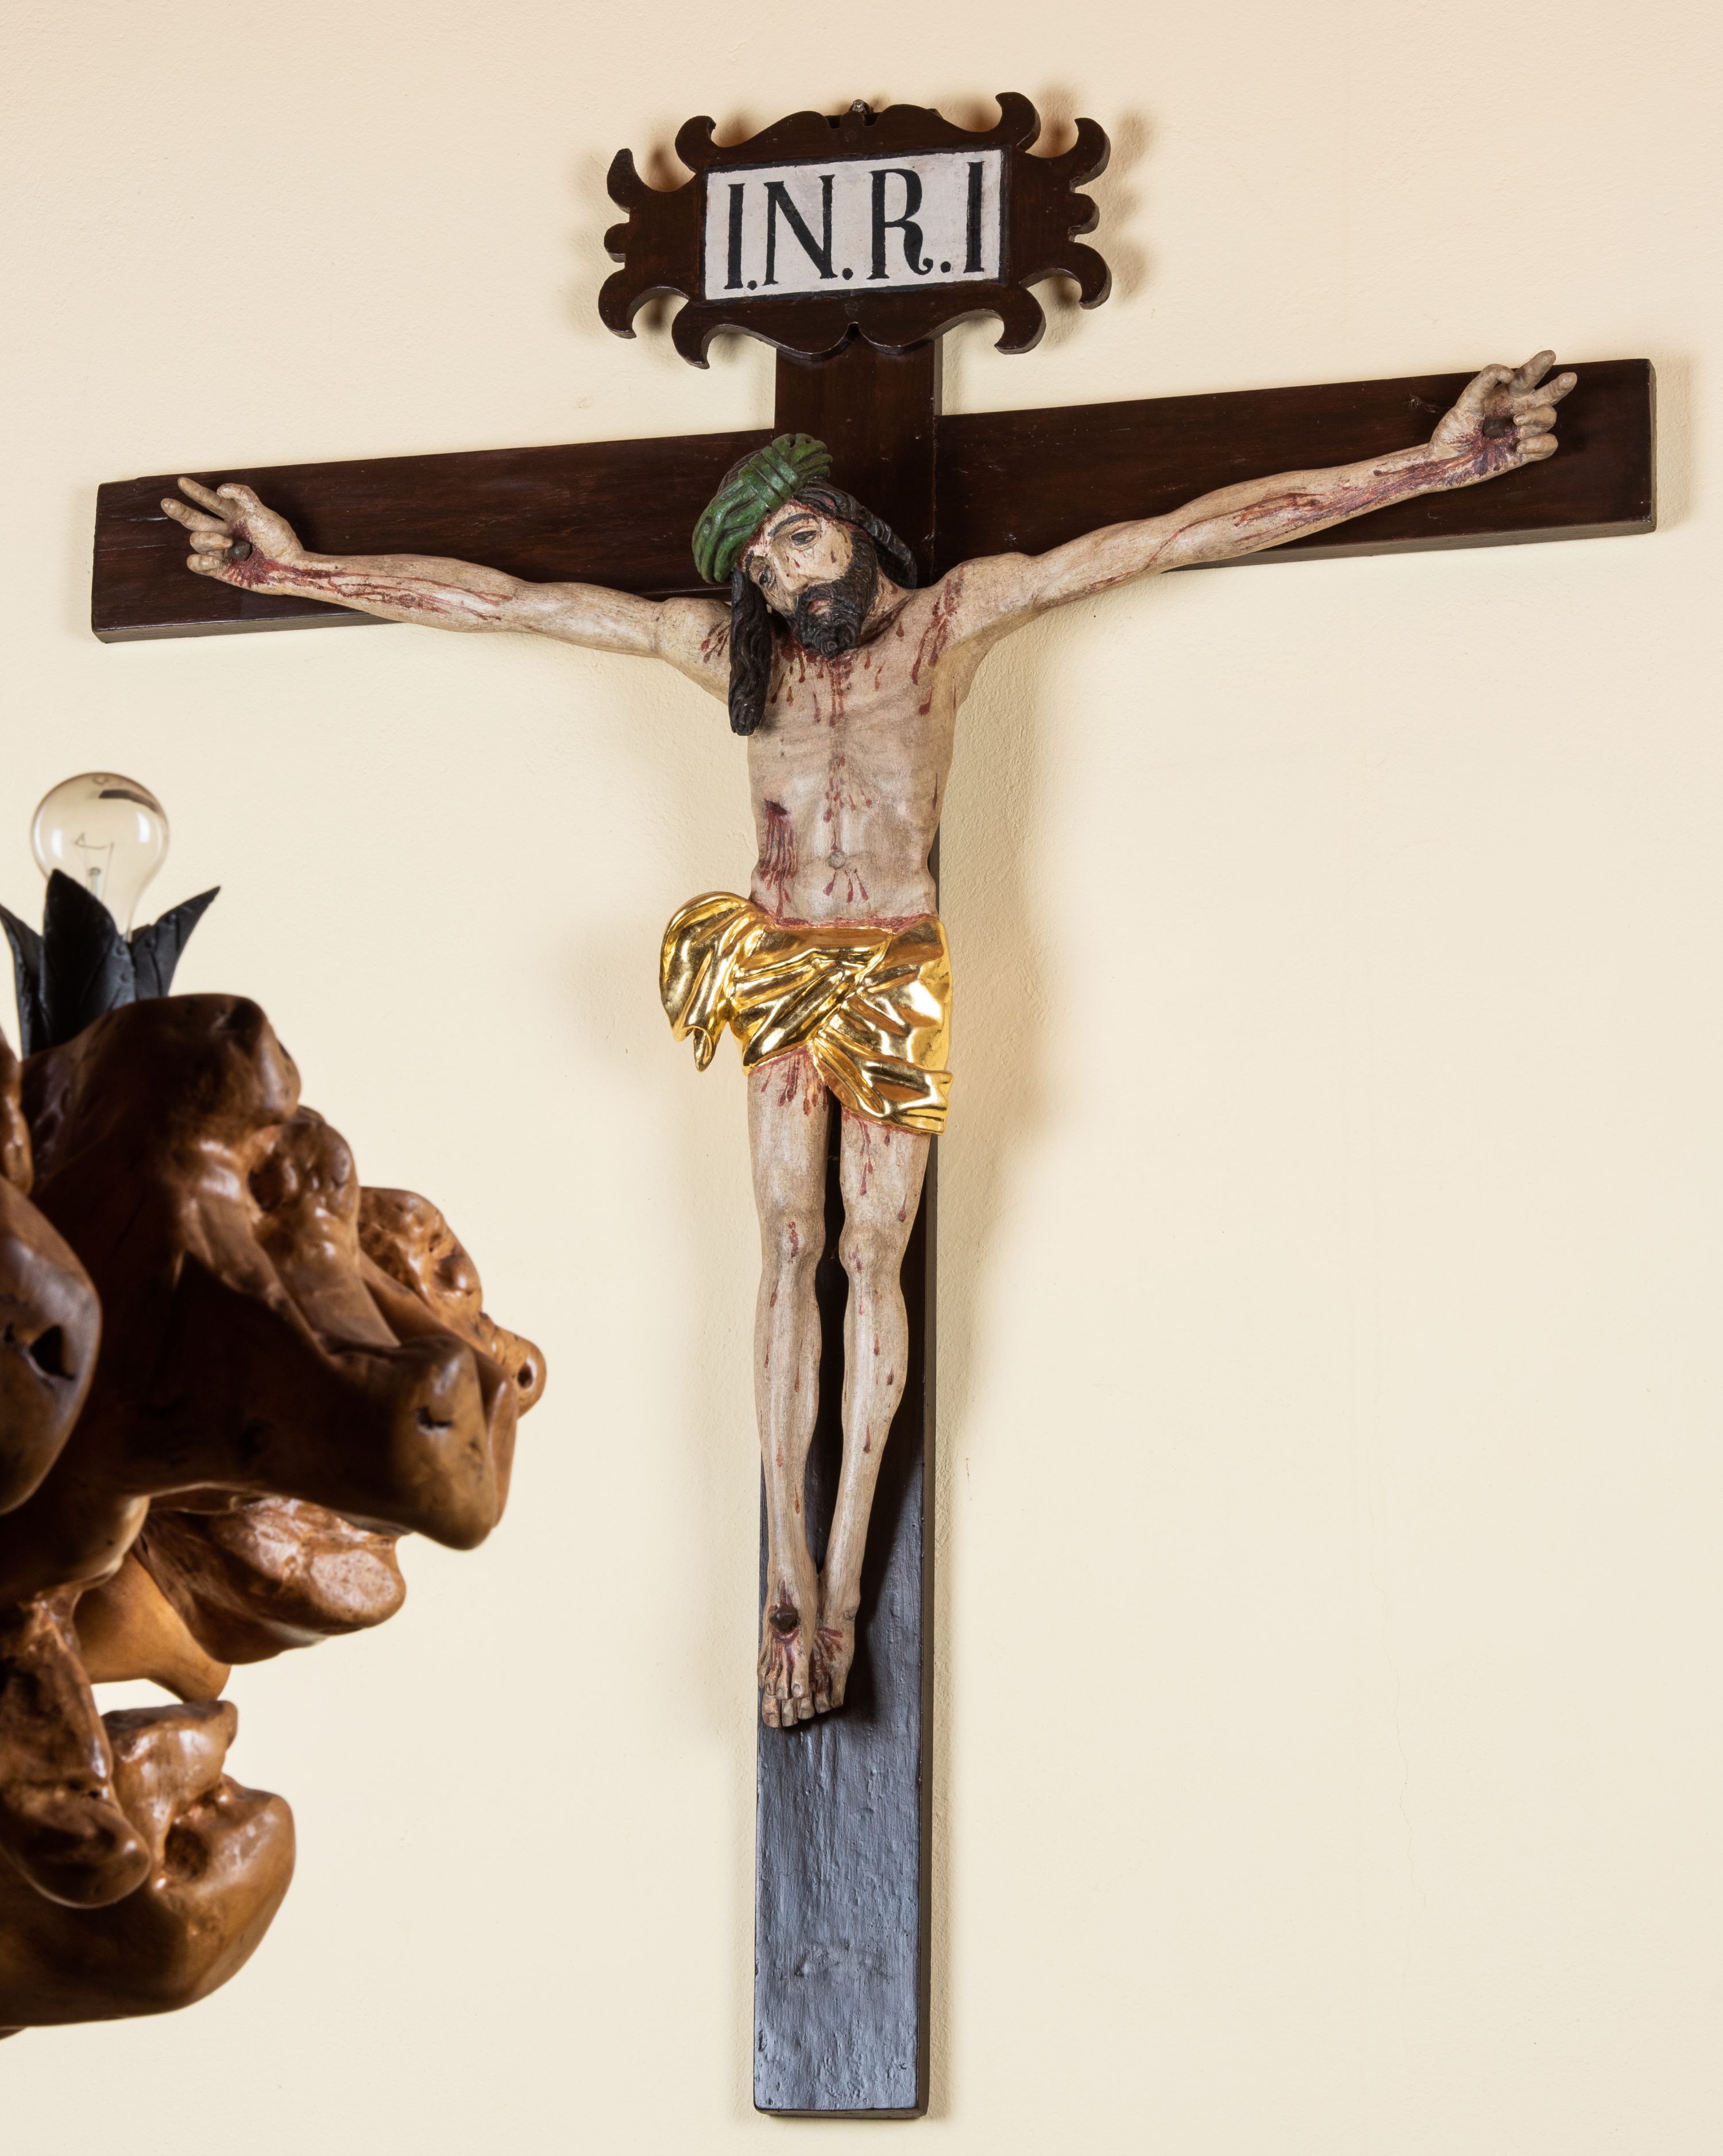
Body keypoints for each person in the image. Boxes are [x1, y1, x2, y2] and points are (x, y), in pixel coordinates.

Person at [164, 352, 1574, 1727]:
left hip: (894, 959)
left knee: (871, 1250)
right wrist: (299, 573)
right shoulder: (728, 652)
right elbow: (521, 604)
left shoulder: (954, 620)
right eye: (763, 568)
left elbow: (1174, 534)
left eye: (797, 539)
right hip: (780, 958)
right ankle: (788, 1570)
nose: (786, 579)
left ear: (850, 523)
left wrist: (1436, 465)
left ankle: (844, 1579)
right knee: (787, 1245)